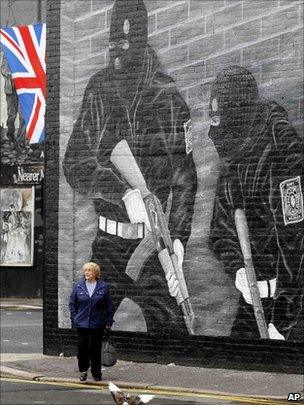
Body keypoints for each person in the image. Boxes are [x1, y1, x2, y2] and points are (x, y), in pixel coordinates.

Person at [63, 0, 197, 334]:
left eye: (124, 46)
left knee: (175, 333)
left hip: (152, 242)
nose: (117, 55)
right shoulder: (100, 89)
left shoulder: (166, 96)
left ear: (140, 41)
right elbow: (75, 163)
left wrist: (177, 238)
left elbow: (184, 176)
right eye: (112, 47)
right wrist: (121, 192)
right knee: (87, 329)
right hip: (107, 243)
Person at [208, 66, 303, 341]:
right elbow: (220, 230)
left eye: (219, 118)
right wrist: (237, 267)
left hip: (291, 308)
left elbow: (296, 240)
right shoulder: (232, 165)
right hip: (253, 303)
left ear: (237, 115)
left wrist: (283, 321)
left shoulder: (284, 155)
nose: (214, 129)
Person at [69, 262, 114, 382]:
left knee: (95, 349)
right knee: (82, 348)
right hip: (81, 324)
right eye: (85, 270)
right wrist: (75, 318)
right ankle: (83, 370)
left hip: (97, 323)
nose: (87, 272)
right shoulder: (78, 286)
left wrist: (109, 321)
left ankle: (96, 373)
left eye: (89, 270)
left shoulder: (103, 287)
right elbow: (72, 304)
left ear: (95, 273)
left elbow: (109, 306)